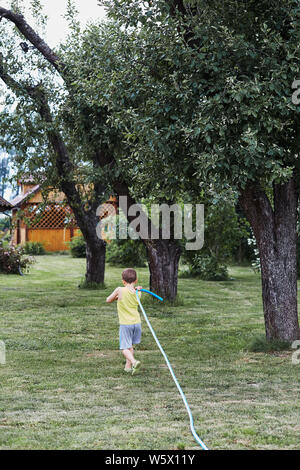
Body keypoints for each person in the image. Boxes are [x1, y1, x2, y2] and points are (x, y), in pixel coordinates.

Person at [106, 268, 143, 375]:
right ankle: (128, 367)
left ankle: (134, 362)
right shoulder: (138, 292)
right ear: (136, 280)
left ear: (123, 281)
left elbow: (108, 300)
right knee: (130, 346)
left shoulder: (120, 290)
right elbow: (129, 296)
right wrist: (138, 289)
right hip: (137, 323)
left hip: (126, 324)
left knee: (124, 348)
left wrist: (116, 297)